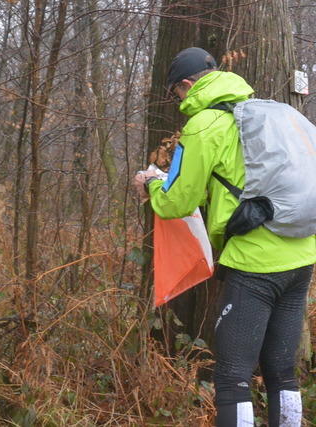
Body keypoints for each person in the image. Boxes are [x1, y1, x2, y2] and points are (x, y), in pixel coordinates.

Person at [133, 47, 316, 426]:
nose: (178, 100)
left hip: (255, 263)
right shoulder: (269, 113)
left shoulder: (203, 125)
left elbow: (177, 202)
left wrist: (152, 184)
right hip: (301, 254)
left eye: (176, 92)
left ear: (187, 85)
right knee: (282, 371)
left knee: (232, 377)